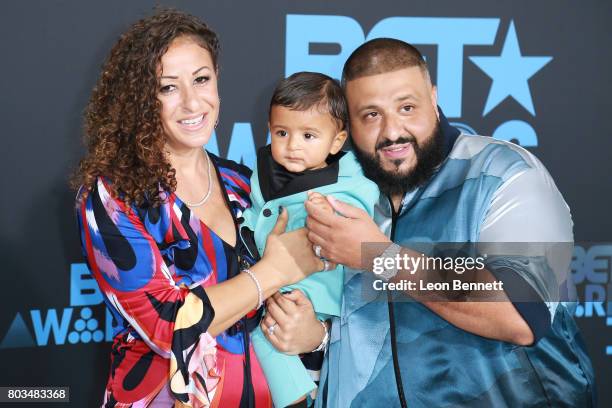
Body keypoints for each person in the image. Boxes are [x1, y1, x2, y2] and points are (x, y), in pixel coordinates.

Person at [262, 38, 596, 407]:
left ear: (433, 98)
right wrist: (317, 337)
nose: (392, 131)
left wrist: (378, 256)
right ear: (346, 126)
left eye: (407, 107)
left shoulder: (502, 173)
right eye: (371, 115)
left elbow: (520, 311)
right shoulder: (343, 194)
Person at [72, 10, 327, 407]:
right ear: (140, 100)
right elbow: (168, 326)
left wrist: (315, 334)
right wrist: (274, 271)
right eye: (168, 87)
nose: (193, 102)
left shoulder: (245, 183)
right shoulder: (113, 195)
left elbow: (309, 292)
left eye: (202, 79)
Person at [242, 72, 379, 407]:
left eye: (308, 135)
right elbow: (254, 211)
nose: (292, 145)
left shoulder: (347, 181)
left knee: (266, 337)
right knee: (261, 337)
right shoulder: (262, 172)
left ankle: (300, 396)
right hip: (269, 283)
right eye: (281, 133)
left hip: (315, 296)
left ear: (336, 141)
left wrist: (328, 212)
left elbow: (360, 213)